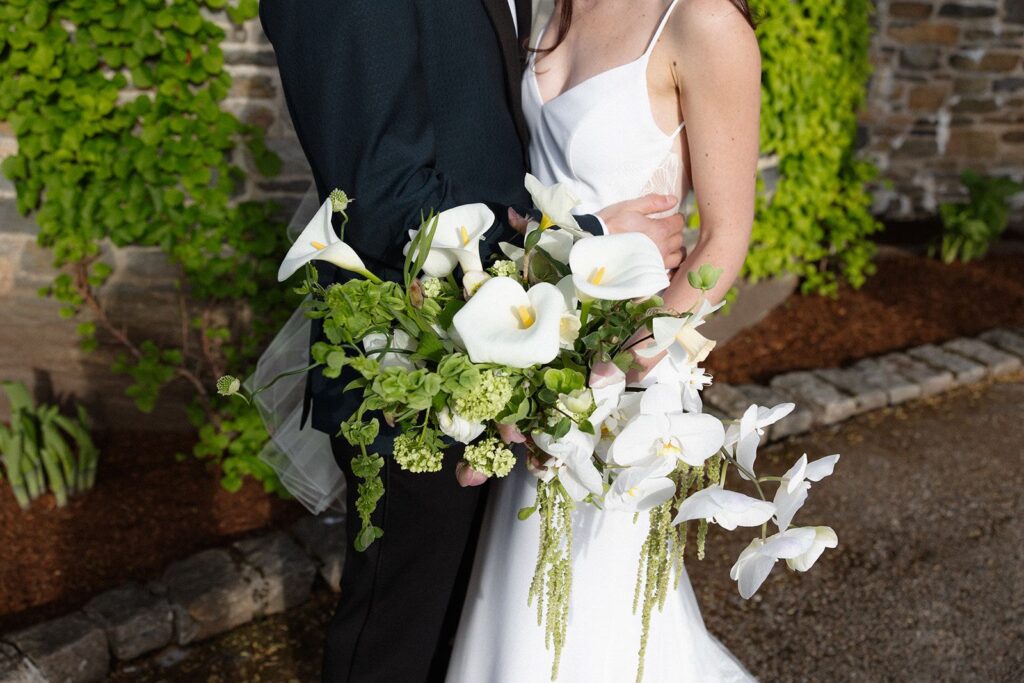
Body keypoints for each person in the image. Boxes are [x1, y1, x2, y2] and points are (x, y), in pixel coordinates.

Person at [257, 1, 687, 680]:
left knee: (469, 637)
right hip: (412, 372)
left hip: (496, 356)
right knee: (400, 641)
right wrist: (587, 241)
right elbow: (385, 202)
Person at [447, 0, 762, 680]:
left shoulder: (700, 22)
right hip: (539, 356)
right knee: (513, 605)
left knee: (594, 615)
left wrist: (610, 369)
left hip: (627, 381)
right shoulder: (546, 10)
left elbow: (723, 239)